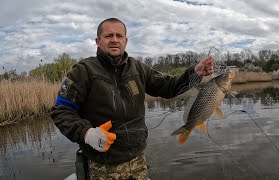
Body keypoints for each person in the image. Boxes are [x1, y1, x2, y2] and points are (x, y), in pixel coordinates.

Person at [51, 18, 213, 180]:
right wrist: (86, 133)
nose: (114, 40)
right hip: (100, 165)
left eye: (119, 36)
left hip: (137, 161)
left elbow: (169, 87)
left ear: (125, 41)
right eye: (108, 36)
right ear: (98, 41)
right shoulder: (83, 70)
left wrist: (194, 74)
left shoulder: (138, 68)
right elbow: (61, 111)